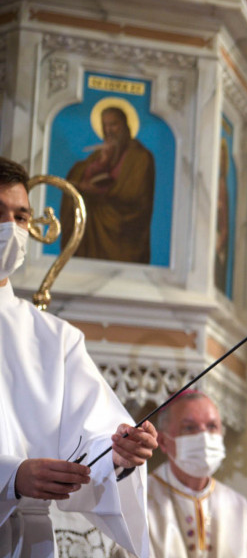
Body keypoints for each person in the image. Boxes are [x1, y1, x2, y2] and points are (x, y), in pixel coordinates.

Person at [0, 155, 158, 557]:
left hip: (27, 541)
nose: (11, 228)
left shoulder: (54, 337)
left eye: (21, 217)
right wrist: (10, 476)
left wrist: (120, 454)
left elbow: (93, 444)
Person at [148, 390, 247, 557]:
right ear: (163, 441)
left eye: (212, 426)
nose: (204, 436)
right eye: (189, 428)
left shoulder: (238, 507)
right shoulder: (142, 500)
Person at [61, 105, 155, 263]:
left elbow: (135, 196)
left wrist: (98, 193)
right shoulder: (100, 153)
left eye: (114, 124)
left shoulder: (140, 157)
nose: (109, 130)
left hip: (123, 236)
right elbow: (79, 174)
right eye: (105, 125)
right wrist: (102, 162)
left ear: (125, 126)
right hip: (92, 233)